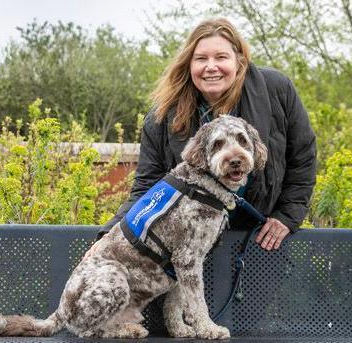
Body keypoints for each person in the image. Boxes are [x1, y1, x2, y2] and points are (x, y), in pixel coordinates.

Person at [96, 17, 316, 253]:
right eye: (201, 59)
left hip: (262, 239)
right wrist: (111, 235)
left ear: (239, 60)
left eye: (221, 57)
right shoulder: (161, 117)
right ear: (189, 64)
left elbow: (302, 156)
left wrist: (287, 215)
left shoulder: (276, 90)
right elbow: (148, 187)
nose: (211, 67)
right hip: (190, 241)